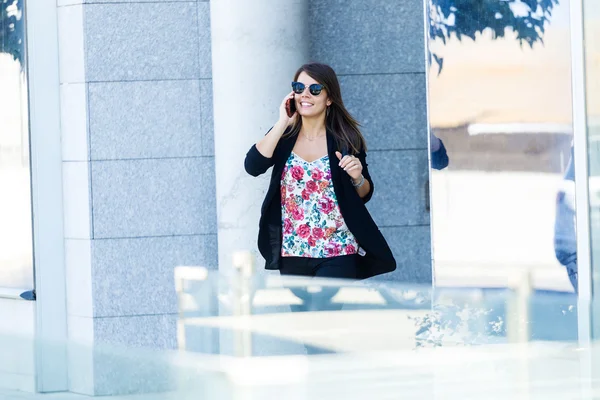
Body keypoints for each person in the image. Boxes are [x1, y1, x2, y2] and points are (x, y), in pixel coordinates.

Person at [244, 62, 396, 288]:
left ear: (329, 98)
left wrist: (357, 177)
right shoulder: (284, 136)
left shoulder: (346, 138)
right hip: (294, 250)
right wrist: (282, 121)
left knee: (327, 318)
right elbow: (253, 166)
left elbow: (365, 192)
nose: (305, 94)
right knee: (303, 322)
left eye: (314, 89)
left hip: (338, 249)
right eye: (299, 88)